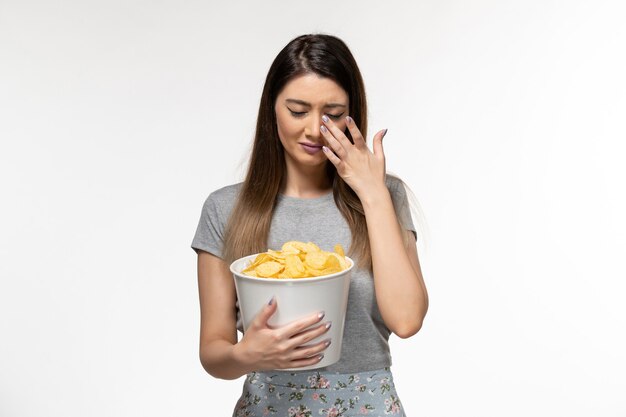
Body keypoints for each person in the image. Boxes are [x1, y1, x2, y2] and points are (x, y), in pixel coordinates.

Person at [191, 33, 429, 417]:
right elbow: (213, 352)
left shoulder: (386, 196)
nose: (316, 129)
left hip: (368, 405)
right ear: (272, 110)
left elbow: (406, 320)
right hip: (269, 406)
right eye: (298, 111)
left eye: (333, 114)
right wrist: (245, 354)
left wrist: (372, 194)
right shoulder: (226, 208)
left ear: (353, 113)